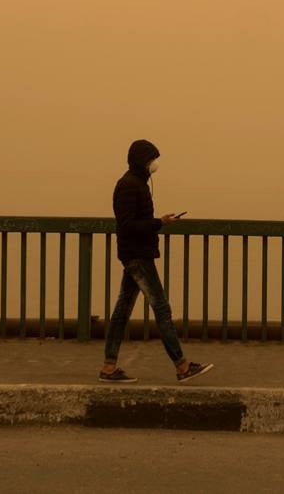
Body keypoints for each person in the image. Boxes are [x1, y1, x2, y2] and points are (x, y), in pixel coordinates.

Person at [99, 138, 212, 383]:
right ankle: (182, 367)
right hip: (137, 256)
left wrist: (160, 222)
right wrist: (159, 222)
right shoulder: (129, 185)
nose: (155, 164)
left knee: (122, 312)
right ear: (143, 161)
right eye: (152, 159)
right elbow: (127, 225)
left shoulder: (135, 183)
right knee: (161, 308)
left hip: (135, 254)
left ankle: (109, 368)